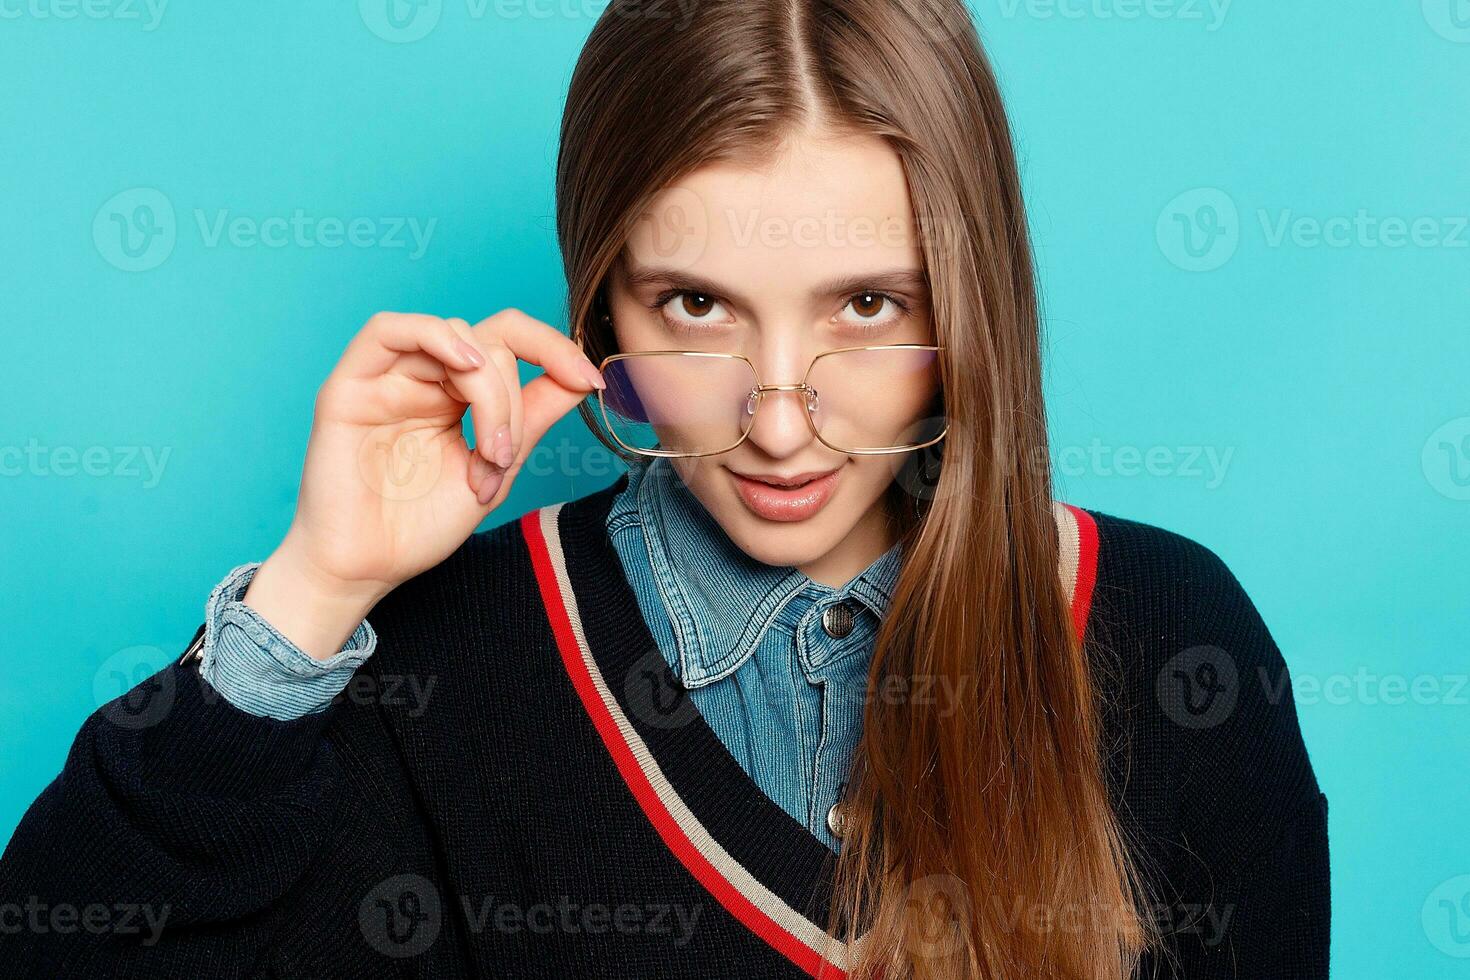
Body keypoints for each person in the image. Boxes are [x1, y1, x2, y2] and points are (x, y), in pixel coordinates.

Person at [0, 1, 1328, 977]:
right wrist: (312, 590)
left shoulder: (1167, 632)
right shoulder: (435, 667)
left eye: (867, 306)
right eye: (694, 305)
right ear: (601, 297)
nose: (774, 417)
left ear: (971, 303)